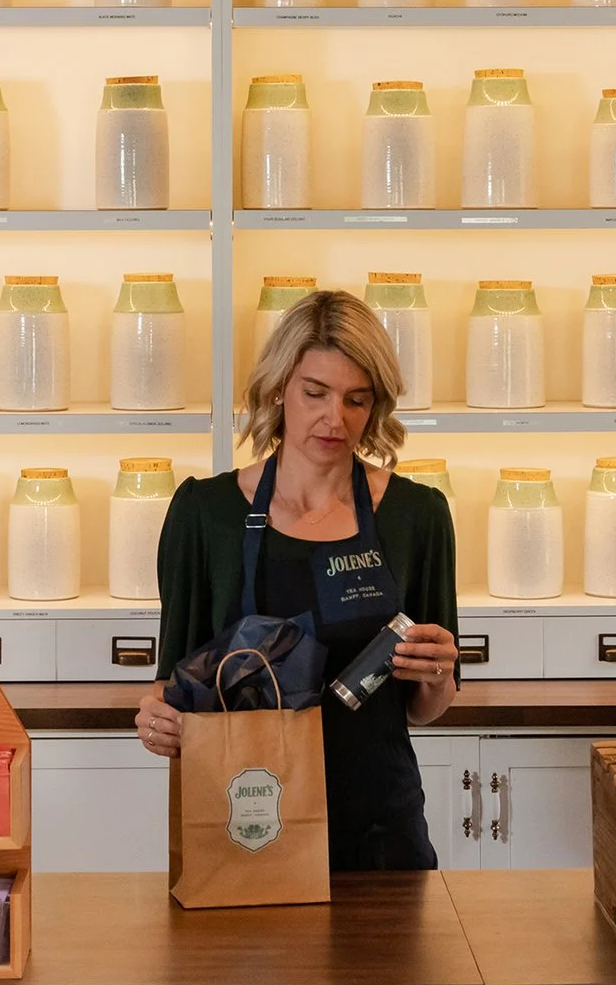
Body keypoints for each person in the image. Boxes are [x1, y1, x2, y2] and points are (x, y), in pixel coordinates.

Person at [134, 288, 460, 870]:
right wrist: (157, 720)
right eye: (315, 393)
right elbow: (173, 687)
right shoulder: (204, 515)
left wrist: (437, 674)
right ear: (280, 387)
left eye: (357, 400)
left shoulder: (419, 515)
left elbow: (423, 706)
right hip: (249, 826)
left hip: (381, 829)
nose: (335, 419)